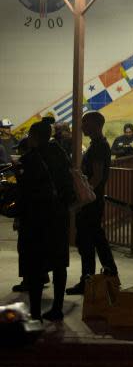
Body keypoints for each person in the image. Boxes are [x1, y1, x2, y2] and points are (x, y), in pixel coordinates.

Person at [16, 123, 72, 320]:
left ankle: (36, 313)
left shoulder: (28, 160)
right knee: (59, 264)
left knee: (35, 265)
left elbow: (23, 193)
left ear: (33, 136)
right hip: (59, 216)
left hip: (36, 219)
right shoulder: (61, 155)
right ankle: (57, 309)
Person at [67, 111, 119, 295]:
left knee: (87, 242)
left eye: (85, 123)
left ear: (96, 125)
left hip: (90, 203)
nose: (81, 127)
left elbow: (96, 177)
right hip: (92, 201)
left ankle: (87, 281)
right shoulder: (98, 145)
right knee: (97, 239)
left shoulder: (99, 147)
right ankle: (109, 274)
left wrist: (83, 198)